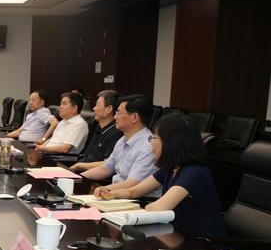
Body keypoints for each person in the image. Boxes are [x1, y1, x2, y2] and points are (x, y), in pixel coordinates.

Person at [97, 113, 225, 239]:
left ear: (171, 142)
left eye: (154, 138)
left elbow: (158, 208)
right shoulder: (170, 168)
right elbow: (134, 191)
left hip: (201, 242)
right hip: (175, 234)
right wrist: (111, 193)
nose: (151, 143)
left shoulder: (194, 172)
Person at [82, 94, 158, 193]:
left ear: (134, 117)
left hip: (133, 197)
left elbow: (132, 184)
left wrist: (103, 190)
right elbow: (105, 169)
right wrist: (77, 177)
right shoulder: (123, 139)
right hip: (115, 192)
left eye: (118, 113)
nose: (115, 117)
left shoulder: (148, 147)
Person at [71, 90, 122, 166]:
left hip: (90, 170)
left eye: (97, 105)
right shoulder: (97, 126)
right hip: (82, 164)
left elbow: (107, 164)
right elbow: (87, 155)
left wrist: (79, 166)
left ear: (108, 109)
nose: (94, 108)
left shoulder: (116, 133)